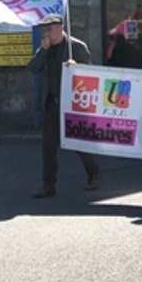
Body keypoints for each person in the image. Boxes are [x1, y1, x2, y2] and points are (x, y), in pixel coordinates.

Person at [28, 14, 102, 198]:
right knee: (48, 146)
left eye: (49, 29)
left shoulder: (75, 46)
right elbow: (32, 68)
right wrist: (43, 51)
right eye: (44, 30)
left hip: (73, 104)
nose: (47, 34)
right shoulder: (45, 48)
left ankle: (94, 174)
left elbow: (91, 73)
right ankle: (48, 184)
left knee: (79, 142)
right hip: (51, 103)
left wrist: (77, 66)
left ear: (60, 28)